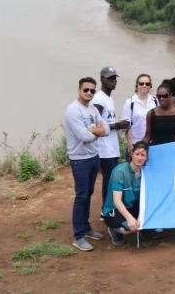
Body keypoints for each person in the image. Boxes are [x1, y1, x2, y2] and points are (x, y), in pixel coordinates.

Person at [64, 77, 111, 252]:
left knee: (89, 193)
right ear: (79, 90)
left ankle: (85, 227)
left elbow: (105, 129)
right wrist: (94, 131)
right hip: (79, 159)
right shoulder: (73, 111)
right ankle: (78, 236)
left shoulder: (92, 109)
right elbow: (84, 137)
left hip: (93, 156)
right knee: (81, 195)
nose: (89, 93)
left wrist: (93, 131)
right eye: (86, 90)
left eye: (92, 90)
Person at [91, 67, 131, 206]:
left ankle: (108, 209)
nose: (113, 81)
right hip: (104, 148)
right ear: (102, 79)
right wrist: (119, 125)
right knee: (109, 181)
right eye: (109, 78)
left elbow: (106, 122)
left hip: (111, 146)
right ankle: (108, 211)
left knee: (110, 180)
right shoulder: (99, 99)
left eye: (114, 78)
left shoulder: (108, 98)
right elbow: (94, 126)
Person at [102, 141, 149, 245]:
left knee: (147, 225)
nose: (140, 158)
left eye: (143, 155)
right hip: (115, 208)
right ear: (131, 154)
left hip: (132, 206)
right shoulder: (120, 171)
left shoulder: (146, 172)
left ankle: (139, 227)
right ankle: (114, 230)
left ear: (146, 157)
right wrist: (130, 219)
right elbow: (117, 201)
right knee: (131, 227)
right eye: (137, 154)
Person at [123, 73, 158, 156]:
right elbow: (126, 126)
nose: (144, 86)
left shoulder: (155, 101)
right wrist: (130, 145)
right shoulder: (130, 102)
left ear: (150, 86)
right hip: (136, 144)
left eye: (147, 84)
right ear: (137, 86)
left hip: (153, 144)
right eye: (141, 83)